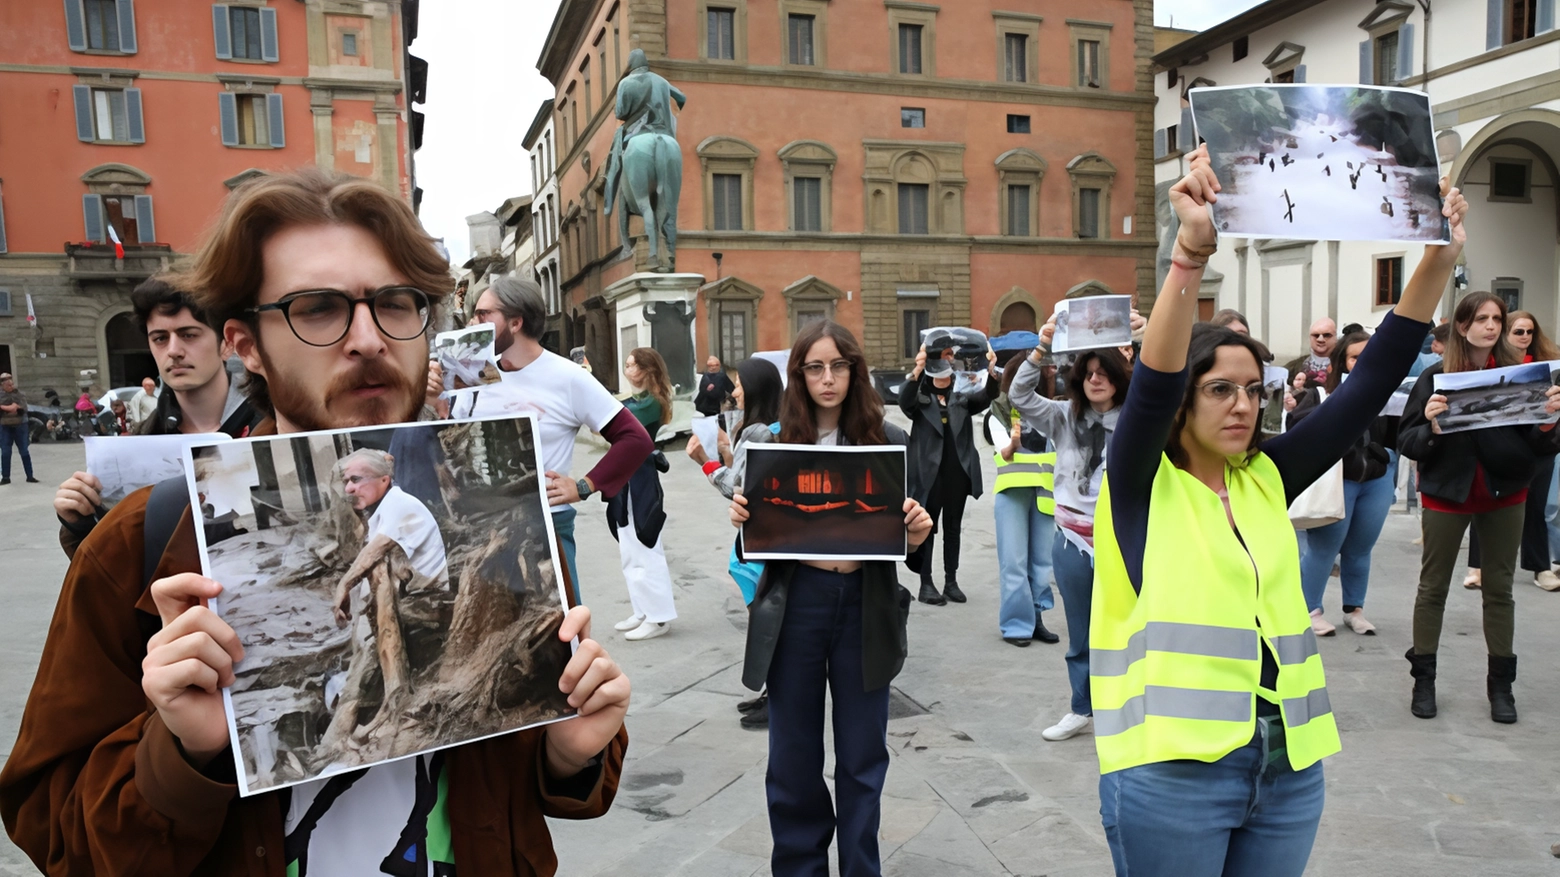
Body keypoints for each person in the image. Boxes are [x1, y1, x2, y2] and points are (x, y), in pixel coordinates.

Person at [0, 168, 631, 876]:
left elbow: (531, 770)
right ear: (245, 343)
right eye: (319, 308)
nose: (367, 338)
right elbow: (49, 829)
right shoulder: (137, 545)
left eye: (396, 303)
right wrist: (178, 753)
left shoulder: (508, 526)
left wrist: (572, 751)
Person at [1090, 145, 1466, 876]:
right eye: (1220, 389)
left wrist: (1438, 262)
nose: (1242, 404)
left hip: (1288, 762)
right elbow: (1154, 385)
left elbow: (1369, 383)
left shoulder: (1265, 474)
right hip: (1173, 771)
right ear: (1183, 405)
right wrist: (1188, 262)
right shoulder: (1139, 481)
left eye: (1253, 389)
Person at [729, 320, 932, 877]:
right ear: (798, 375)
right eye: (815, 368)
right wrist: (744, 519)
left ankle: (861, 869)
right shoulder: (773, 443)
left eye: (838, 366)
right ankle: (799, 868)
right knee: (792, 754)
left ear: (853, 372)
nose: (827, 379)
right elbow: (755, 544)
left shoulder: (889, 440)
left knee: (864, 754)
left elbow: (907, 542)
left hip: (866, 603)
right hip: (798, 604)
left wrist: (917, 532)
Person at [1399, 292, 1560, 725]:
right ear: (1464, 325)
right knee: (1433, 588)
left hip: (1504, 491)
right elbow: (1406, 441)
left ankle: (1501, 687)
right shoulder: (1435, 377)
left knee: (1500, 590)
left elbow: (1541, 446)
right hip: (1446, 493)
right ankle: (1424, 680)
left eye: (1497, 318)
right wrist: (1431, 427)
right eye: (1482, 318)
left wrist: (1547, 421)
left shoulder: (1521, 376)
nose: (1491, 326)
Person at [450, 275, 655, 597]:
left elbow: (635, 439)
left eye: (483, 314)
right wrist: (435, 400)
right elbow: (452, 439)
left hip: (543, 527)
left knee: (560, 637)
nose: (473, 323)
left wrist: (585, 485)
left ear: (515, 321)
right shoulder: (472, 373)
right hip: (479, 526)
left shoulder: (567, 377)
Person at [53, 278, 267, 557]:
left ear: (226, 345)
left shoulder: (275, 426)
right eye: (160, 338)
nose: (174, 350)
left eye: (189, 334)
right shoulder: (138, 445)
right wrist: (80, 522)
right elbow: (119, 567)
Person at [1010, 337, 1136, 743]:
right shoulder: (1062, 416)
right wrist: (1041, 347)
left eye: (1103, 373)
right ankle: (1082, 707)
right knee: (1080, 629)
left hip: (1124, 536)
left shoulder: (1138, 417)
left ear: (1119, 376)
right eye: (1088, 373)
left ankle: (1131, 705)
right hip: (1072, 538)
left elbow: (1174, 394)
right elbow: (1018, 393)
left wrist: (1149, 336)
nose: (1095, 380)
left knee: (1131, 626)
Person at [326, 448, 452, 740]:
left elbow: (376, 551)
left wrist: (343, 585)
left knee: (371, 646)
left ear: (384, 480)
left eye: (356, 480)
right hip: (403, 599)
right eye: (347, 481)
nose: (349, 489)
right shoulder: (381, 511)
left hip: (425, 601)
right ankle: (357, 709)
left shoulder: (399, 504)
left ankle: (372, 712)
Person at [688, 355, 784, 728]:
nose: (735, 391)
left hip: (757, 539)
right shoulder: (774, 425)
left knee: (766, 623)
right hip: (772, 535)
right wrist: (729, 453)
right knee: (770, 620)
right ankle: (770, 694)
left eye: (741, 384)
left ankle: (775, 698)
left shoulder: (759, 431)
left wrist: (706, 462)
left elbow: (740, 489)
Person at [1291, 330, 1394, 637]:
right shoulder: (1320, 394)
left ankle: (1354, 609)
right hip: (1337, 479)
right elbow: (1299, 428)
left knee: (1361, 547)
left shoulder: (1387, 392)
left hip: (1376, 478)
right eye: (1355, 358)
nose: (1362, 363)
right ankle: (1309, 609)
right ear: (1341, 363)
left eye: (1369, 357)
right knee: (1325, 547)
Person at [1461, 309, 1560, 592]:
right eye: (1519, 331)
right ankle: (1477, 567)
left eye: (1530, 332)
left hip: (1541, 446)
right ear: (1506, 335)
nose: (1525, 337)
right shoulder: (1493, 365)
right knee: (1486, 502)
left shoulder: (1549, 366)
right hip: (1502, 445)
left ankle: (1540, 567)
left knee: (1537, 508)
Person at [899, 337, 998, 605]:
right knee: (927, 528)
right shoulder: (920, 394)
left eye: (951, 355)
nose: (950, 359)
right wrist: (916, 371)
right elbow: (903, 401)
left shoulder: (961, 392)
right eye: (944, 355)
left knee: (953, 528)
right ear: (933, 359)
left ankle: (951, 581)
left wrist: (991, 371)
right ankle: (926, 582)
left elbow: (988, 395)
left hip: (957, 472)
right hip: (928, 474)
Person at [989, 351, 1059, 648]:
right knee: (1014, 561)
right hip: (1012, 494)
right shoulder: (999, 412)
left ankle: (1036, 617)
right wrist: (1013, 444)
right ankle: (1016, 625)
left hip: (1045, 493)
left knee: (1043, 562)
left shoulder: (1051, 411)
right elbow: (1003, 450)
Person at [610, 348, 677, 641]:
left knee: (646, 546)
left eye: (631, 365)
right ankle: (643, 610)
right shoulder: (635, 400)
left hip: (641, 477)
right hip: (625, 476)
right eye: (625, 365)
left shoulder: (653, 403)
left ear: (647, 369)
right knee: (628, 547)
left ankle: (659, 616)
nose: (627, 370)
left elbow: (617, 423)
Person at [0, 373, 37, 484]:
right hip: (4, 426)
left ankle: (30, 476)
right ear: (2, 385)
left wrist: (6, 408)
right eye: (7, 384)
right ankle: (6, 477)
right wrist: (11, 407)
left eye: (11, 383)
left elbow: (23, 409)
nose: (10, 386)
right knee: (5, 452)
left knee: (24, 450)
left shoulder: (19, 394)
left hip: (20, 425)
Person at [1287, 317, 1337, 389]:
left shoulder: (1344, 365)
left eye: (1326, 335)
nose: (1320, 339)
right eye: (1316, 335)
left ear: (1335, 338)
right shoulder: (1292, 368)